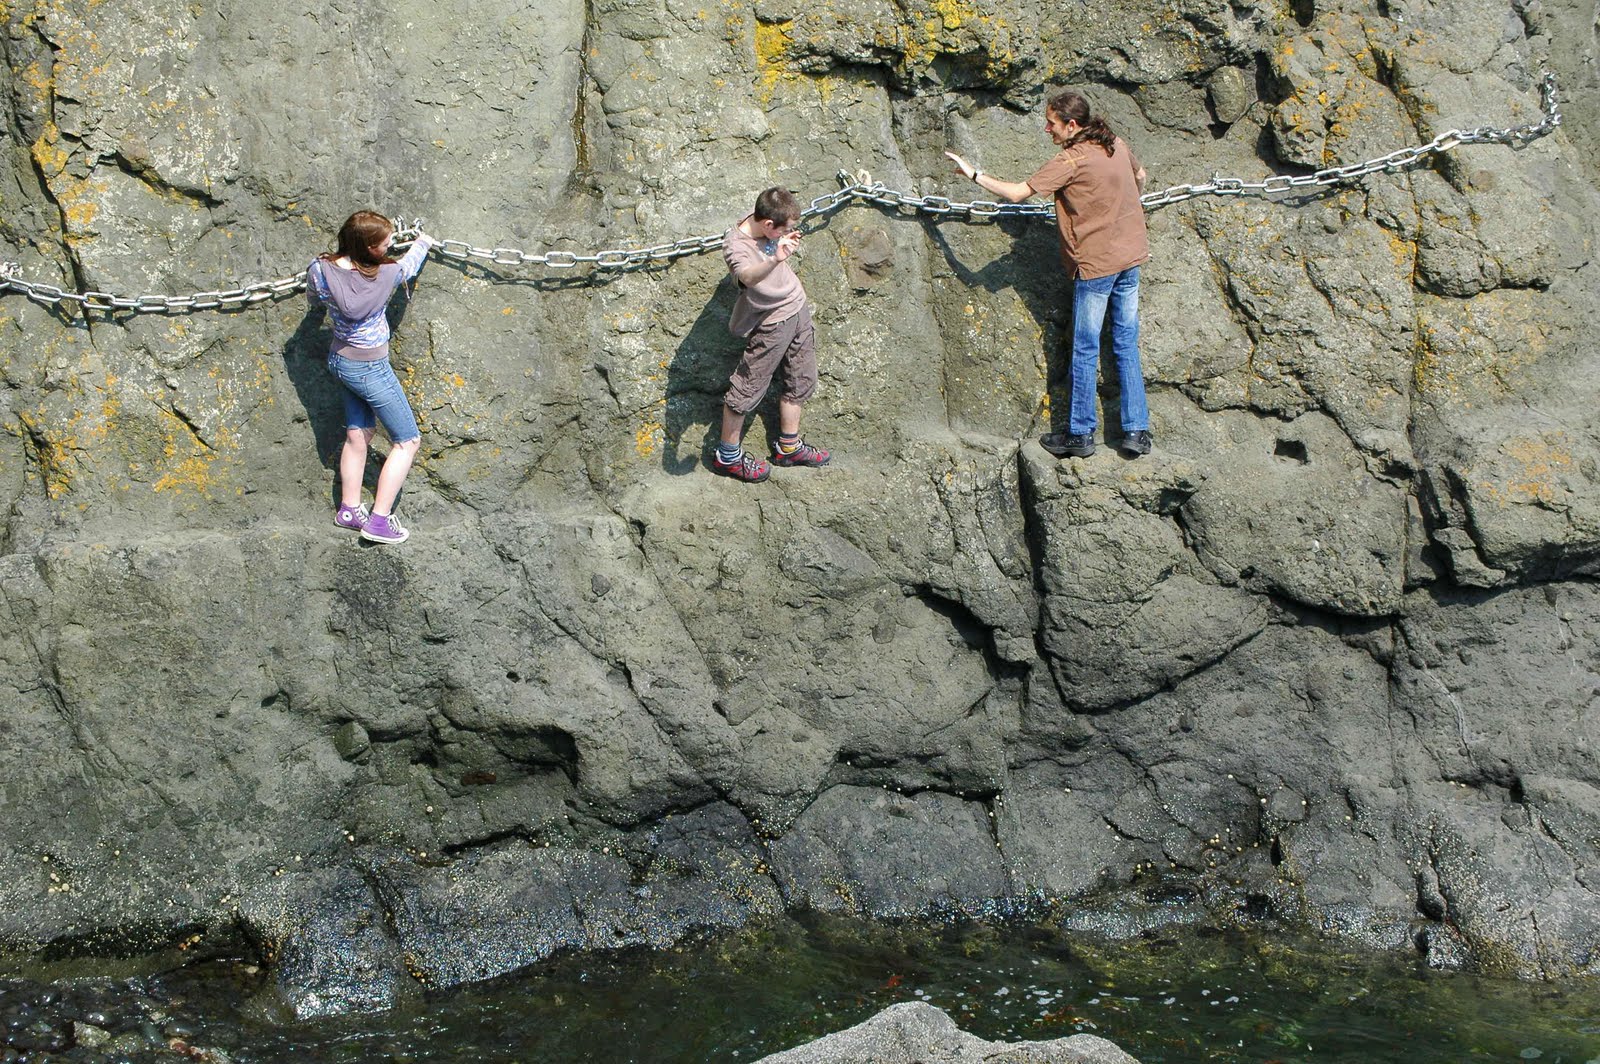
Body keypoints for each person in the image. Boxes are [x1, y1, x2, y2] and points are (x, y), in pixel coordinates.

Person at [945, 90, 1153, 458]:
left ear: (1071, 125)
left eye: (1051, 123)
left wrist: (972, 173)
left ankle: (1080, 434)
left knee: (1086, 347)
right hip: (1131, 256)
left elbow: (1016, 193)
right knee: (1124, 342)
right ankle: (1136, 431)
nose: (1047, 129)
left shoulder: (1070, 161)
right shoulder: (1115, 143)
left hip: (1096, 266)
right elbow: (1140, 175)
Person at [306, 211, 435, 543]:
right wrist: (423, 242)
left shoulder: (321, 269)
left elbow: (315, 297)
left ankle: (349, 508)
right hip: (370, 367)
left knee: (359, 433)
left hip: (340, 359)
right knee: (407, 441)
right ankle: (379, 520)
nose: (390, 245)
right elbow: (409, 265)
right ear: (370, 249)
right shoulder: (388, 274)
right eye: (385, 242)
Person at [712, 187, 830, 483]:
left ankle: (788, 448)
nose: (790, 233)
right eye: (786, 229)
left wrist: (783, 240)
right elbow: (746, 278)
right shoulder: (736, 246)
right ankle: (727, 457)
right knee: (747, 388)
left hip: (797, 307)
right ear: (767, 225)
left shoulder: (768, 221)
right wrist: (776, 258)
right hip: (771, 322)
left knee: (802, 377)